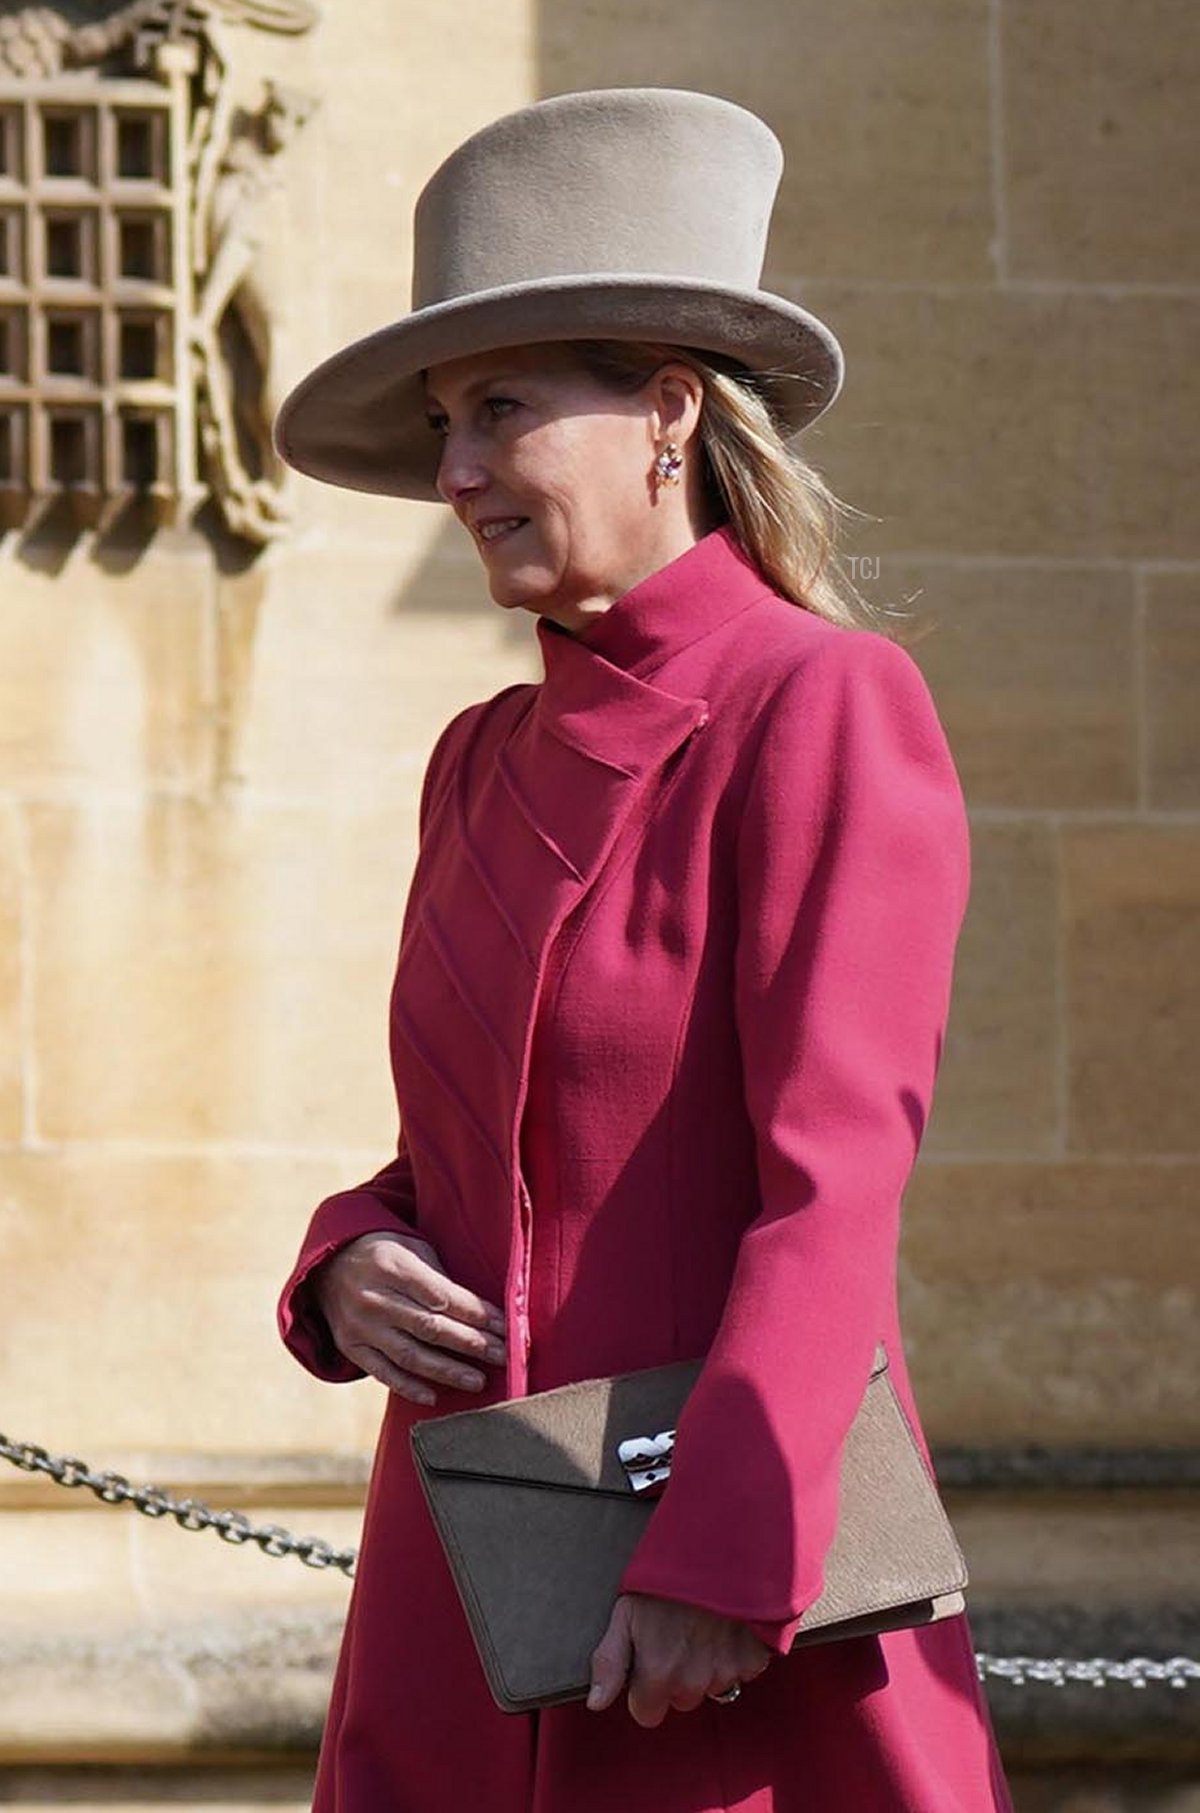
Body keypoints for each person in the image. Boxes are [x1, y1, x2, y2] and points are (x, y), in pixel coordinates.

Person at [273, 88, 1014, 1811]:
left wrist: (724, 1553)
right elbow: (485, 1156)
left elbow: (835, 1180)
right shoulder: (475, 759)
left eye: (502, 410)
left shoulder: (822, 706)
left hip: (727, 1599)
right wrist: (344, 1259)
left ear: (669, 414)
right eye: (448, 421)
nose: (455, 469)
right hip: (471, 1579)